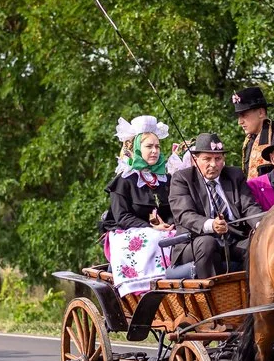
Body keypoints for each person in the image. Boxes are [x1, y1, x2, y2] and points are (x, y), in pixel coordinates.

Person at [169, 132, 264, 278]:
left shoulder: (235, 175)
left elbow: (249, 206)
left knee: (259, 243)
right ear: (195, 160)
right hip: (194, 242)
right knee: (208, 243)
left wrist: (261, 225)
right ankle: (214, 296)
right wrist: (211, 224)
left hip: (232, 241)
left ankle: (255, 296)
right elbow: (184, 214)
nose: (213, 164)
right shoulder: (182, 179)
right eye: (207, 159)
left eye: (218, 158)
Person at [101, 115, 177, 295]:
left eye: (157, 146)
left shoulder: (165, 179)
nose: (154, 151)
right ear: (137, 149)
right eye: (149, 146)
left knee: (180, 236)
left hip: (163, 229)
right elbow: (121, 216)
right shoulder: (124, 180)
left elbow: (173, 208)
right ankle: (142, 287)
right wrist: (152, 228)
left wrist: (168, 224)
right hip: (128, 231)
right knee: (154, 239)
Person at [233, 86, 274, 178]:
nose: (240, 122)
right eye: (239, 116)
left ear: (261, 112)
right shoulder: (249, 140)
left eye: (244, 115)